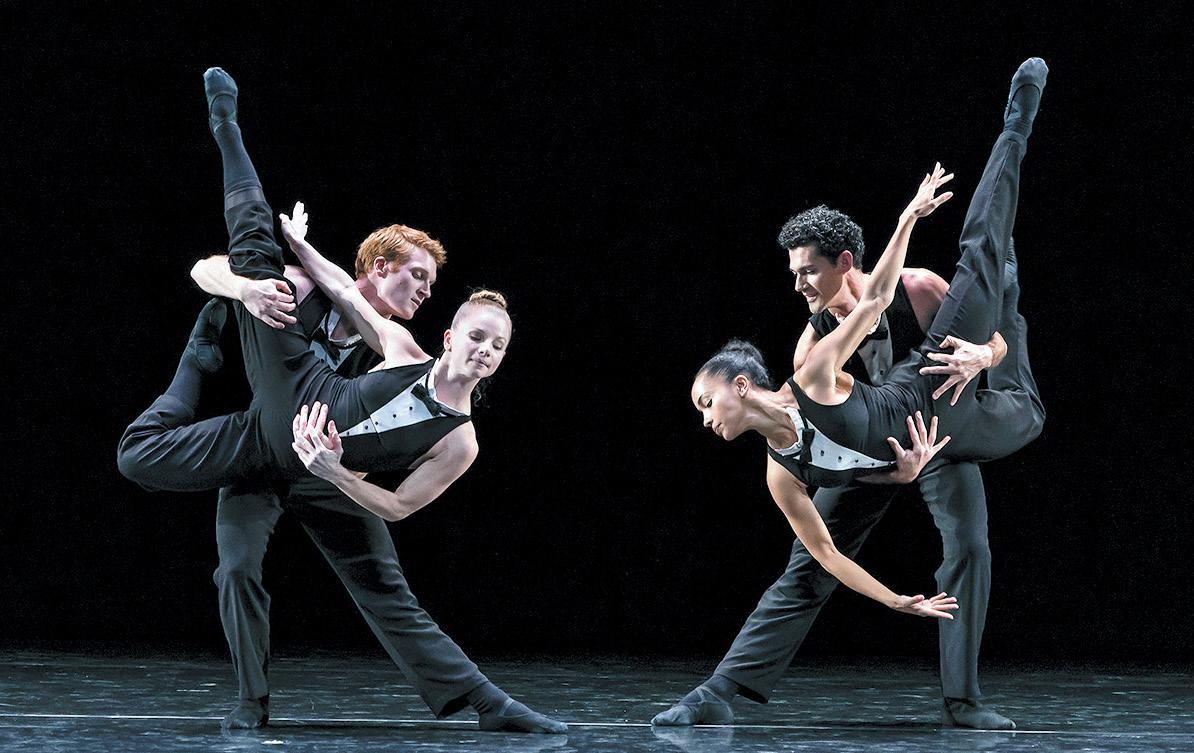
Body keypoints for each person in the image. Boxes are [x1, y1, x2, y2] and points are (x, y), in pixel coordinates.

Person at [117, 67, 566, 734]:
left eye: (431, 284)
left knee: (386, 585)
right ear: (378, 267)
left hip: (326, 464)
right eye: (416, 276)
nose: (425, 291)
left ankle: (488, 702)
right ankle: (250, 702)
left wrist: (335, 472)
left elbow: (401, 500)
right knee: (228, 558)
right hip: (266, 433)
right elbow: (215, 270)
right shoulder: (309, 290)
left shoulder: (415, 371)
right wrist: (246, 288)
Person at [658, 58, 1047, 729]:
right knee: (807, 565)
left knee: (971, 547)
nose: (799, 286)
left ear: (844, 263)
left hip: (942, 423)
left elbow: (967, 331)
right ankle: (719, 690)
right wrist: (892, 473)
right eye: (793, 274)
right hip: (873, 454)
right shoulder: (811, 347)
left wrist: (986, 353)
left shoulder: (916, 289)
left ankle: (964, 699)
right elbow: (813, 434)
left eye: (808, 271)